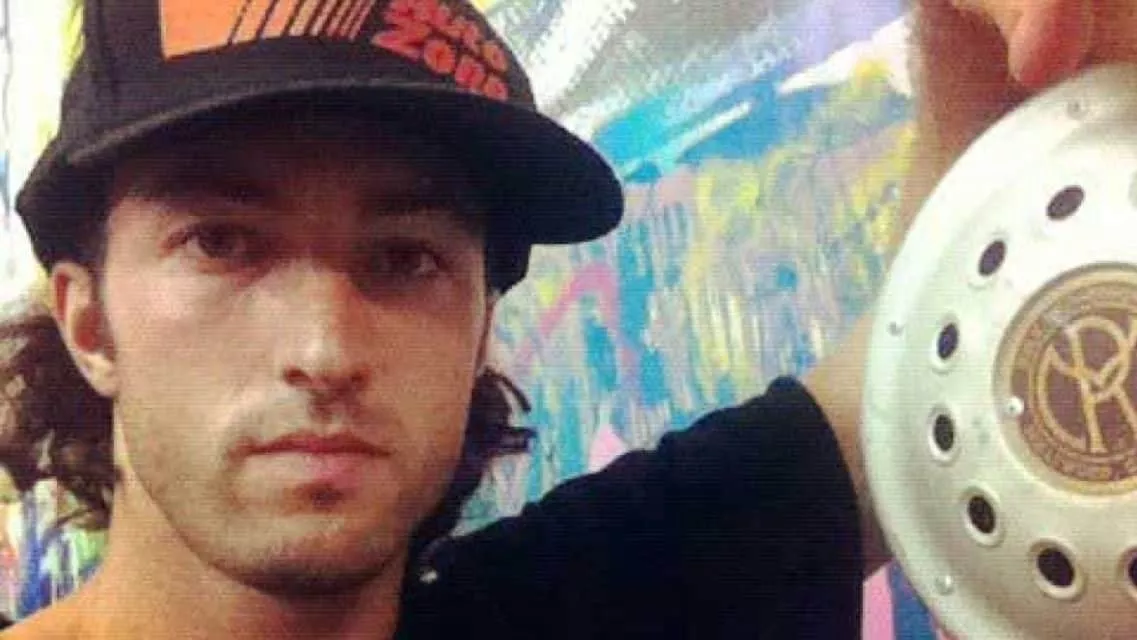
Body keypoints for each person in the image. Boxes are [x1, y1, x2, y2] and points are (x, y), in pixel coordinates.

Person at [0, 0, 1112, 637]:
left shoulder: (570, 609)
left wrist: (985, 47)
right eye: (224, 243)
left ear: (480, 325)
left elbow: (904, 405)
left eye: (406, 258)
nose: (325, 350)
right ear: (90, 326)